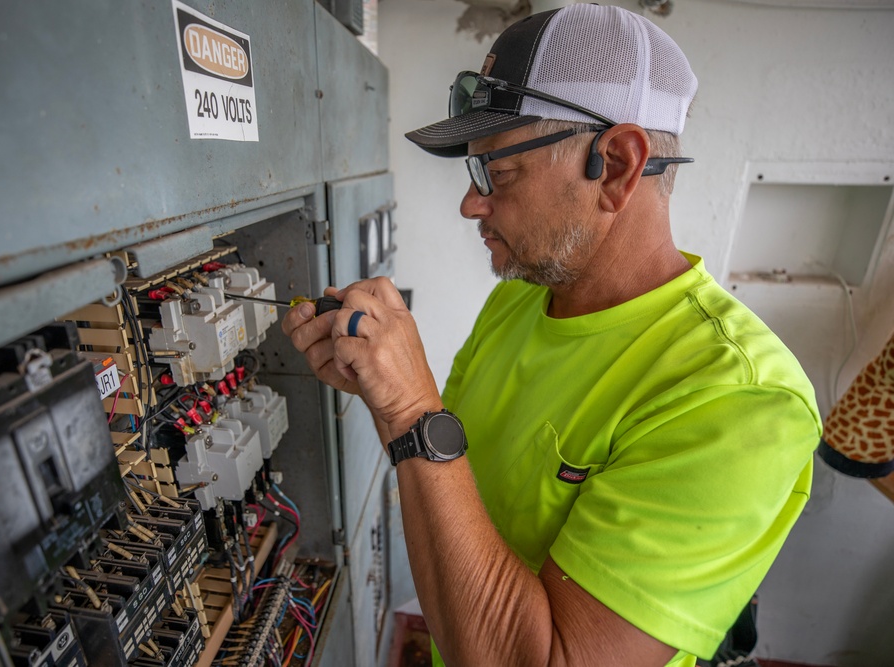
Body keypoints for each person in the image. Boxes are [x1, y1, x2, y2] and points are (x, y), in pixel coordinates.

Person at [283, 4, 821, 666]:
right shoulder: (520, 302)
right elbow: (449, 482)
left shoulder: (738, 401)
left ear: (618, 165)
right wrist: (384, 391)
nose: (470, 203)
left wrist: (410, 410)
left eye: (498, 174)